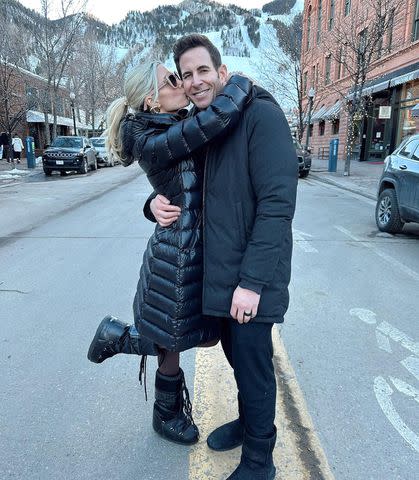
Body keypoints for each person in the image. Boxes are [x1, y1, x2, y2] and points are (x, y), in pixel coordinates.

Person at [148, 34, 298, 480]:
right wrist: (152, 203)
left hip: (253, 278)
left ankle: (259, 460)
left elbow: (277, 205)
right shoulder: (206, 125)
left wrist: (251, 283)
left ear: (222, 72)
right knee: (237, 360)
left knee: (253, 367)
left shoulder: (261, 115)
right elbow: (184, 187)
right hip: (219, 274)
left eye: (203, 71)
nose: (195, 82)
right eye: (187, 74)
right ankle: (251, 425)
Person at [87, 60, 254, 446]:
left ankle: (120, 337)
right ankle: (165, 412)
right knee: (178, 338)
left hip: (192, 247)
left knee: (200, 335)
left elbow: (186, 179)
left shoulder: (171, 126)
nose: (183, 83)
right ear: (152, 98)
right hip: (177, 256)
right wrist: (240, 83)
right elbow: (214, 122)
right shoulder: (151, 137)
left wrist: (152, 203)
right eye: (173, 79)